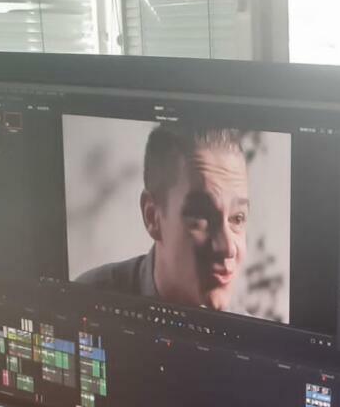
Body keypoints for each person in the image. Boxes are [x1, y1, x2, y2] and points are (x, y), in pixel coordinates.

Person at [75, 125, 248, 310]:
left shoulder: (248, 327)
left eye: (237, 218)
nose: (228, 248)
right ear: (152, 217)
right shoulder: (87, 298)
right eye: (200, 218)